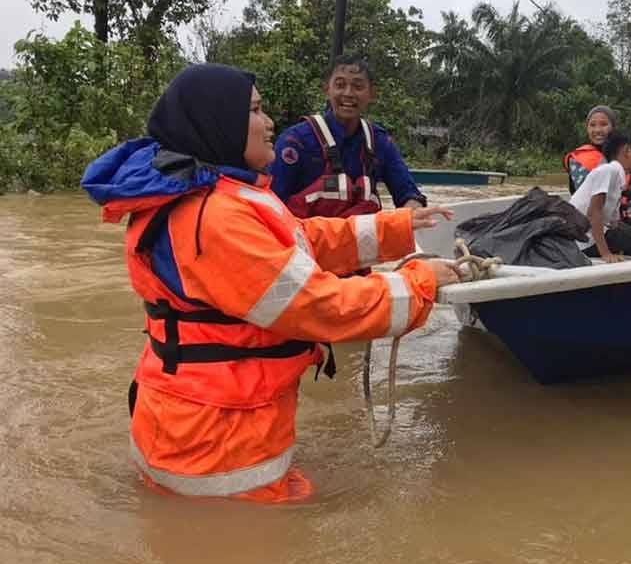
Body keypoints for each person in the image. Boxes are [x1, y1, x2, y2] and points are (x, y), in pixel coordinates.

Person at [81, 63, 460, 502]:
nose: (269, 123)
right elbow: (316, 305)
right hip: (215, 448)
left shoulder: (218, 196)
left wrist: (398, 227)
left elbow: (303, 237)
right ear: (219, 124)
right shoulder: (218, 219)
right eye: (257, 110)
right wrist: (420, 283)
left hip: (206, 426)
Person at [269, 54, 427, 218]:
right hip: (305, 240)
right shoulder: (295, 141)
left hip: (362, 240)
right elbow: (271, 205)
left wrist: (413, 211)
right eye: (340, 85)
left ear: (372, 94)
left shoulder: (379, 142)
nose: (348, 93)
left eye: (358, 87)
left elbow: (409, 194)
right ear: (327, 90)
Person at [570, 131, 631, 262]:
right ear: (627, 151)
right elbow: (593, 213)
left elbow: (613, 224)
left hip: (592, 239)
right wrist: (606, 254)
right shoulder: (608, 171)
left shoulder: (617, 175)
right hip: (585, 243)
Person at [563, 105, 631, 221]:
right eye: (592, 125)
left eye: (603, 124)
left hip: (622, 221)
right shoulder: (579, 158)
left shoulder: (624, 155)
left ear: (613, 127)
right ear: (587, 128)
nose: (598, 130)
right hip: (590, 222)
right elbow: (591, 200)